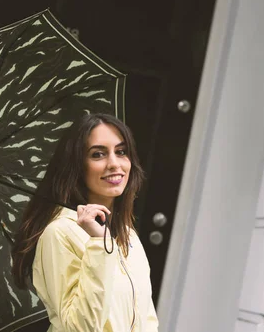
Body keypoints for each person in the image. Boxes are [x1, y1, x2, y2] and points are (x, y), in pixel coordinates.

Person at [12, 113, 158, 331]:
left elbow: (147, 321)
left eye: (121, 152)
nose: (114, 163)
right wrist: (100, 245)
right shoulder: (60, 233)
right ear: (77, 166)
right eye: (98, 154)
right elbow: (80, 328)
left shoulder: (128, 236)